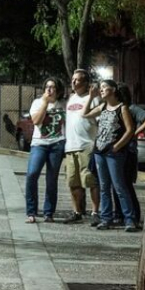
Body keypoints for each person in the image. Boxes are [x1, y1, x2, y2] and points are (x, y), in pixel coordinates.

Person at [82, 80, 137, 232]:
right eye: (100, 88)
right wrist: (90, 97)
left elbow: (130, 129)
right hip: (100, 151)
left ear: (113, 90)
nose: (101, 90)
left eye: (104, 87)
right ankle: (106, 218)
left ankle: (129, 219)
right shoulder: (103, 106)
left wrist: (118, 145)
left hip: (114, 153)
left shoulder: (122, 108)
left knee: (119, 186)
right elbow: (85, 114)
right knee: (104, 186)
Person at [112, 83, 145, 227]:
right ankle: (118, 214)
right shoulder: (114, 109)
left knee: (125, 185)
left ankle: (133, 215)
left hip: (128, 151)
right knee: (116, 184)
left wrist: (134, 133)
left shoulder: (131, 108)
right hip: (116, 151)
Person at [25, 77, 66, 223]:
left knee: (51, 179)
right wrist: (45, 103)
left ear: (58, 90)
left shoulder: (63, 104)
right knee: (32, 174)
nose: (49, 89)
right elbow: (36, 121)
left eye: (53, 87)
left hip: (57, 144)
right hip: (39, 144)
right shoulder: (37, 102)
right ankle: (31, 212)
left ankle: (49, 212)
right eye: (47, 87)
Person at [63, 69, 100, 226]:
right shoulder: (71, 99)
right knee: (73, 182)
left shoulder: (93, 99)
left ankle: (95, 212)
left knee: (90, 181)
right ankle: (77, 212)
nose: (74, 82)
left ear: (85, 83)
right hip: (71, 145)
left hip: (87, 145)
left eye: (77, 80)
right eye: (73, 79)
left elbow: (99, 121)